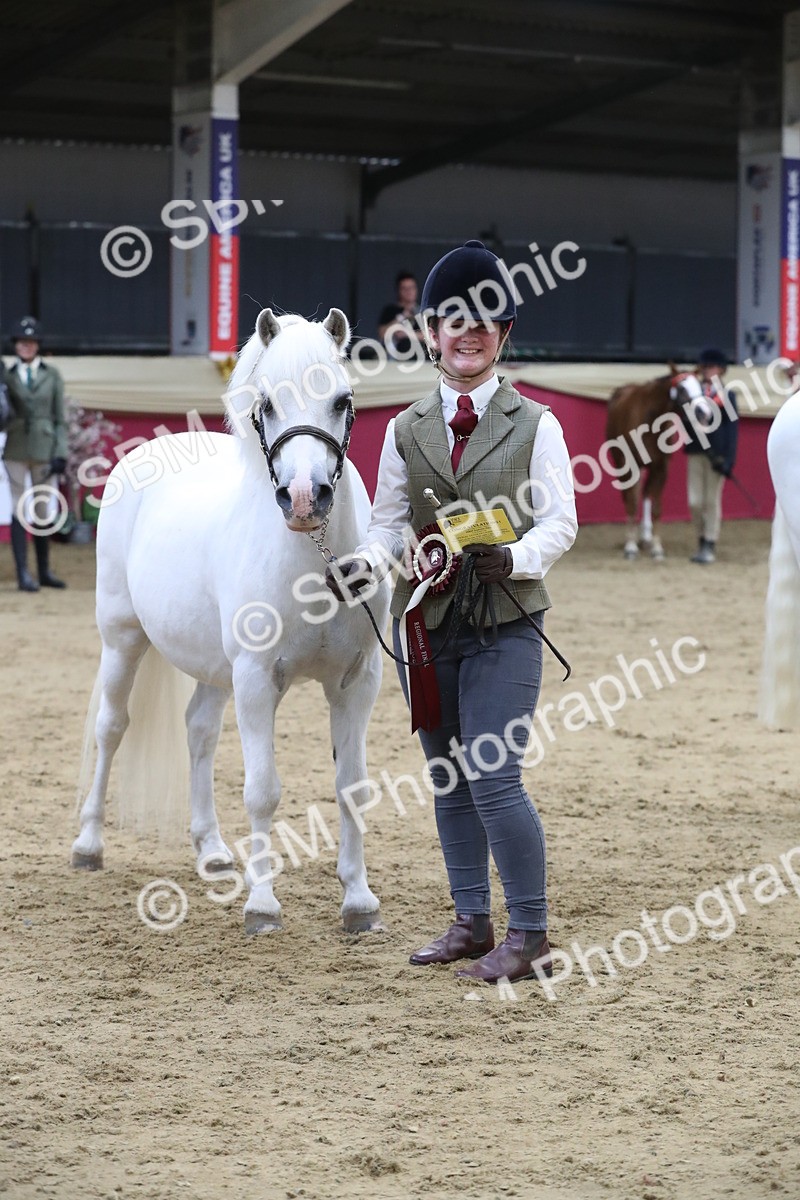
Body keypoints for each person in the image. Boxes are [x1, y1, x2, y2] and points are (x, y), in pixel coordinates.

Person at [327, 240, 578, 984]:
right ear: (431, 331)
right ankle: (471, 920)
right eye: (453, 321)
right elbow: (385, 525)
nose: (467, 334)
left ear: (504, 335)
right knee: (448, 776)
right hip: (428, 626)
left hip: (506, 622)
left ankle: (529, 933)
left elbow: (560, 523)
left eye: (484, 323)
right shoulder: (405, 430)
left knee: (494, 775)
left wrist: (517, 557)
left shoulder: (538, 425)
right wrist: (365, 566)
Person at [1, 316, 67, 590]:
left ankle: (43, 571)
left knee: (41, 510)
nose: (25, 347)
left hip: (44, 444)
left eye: (30, 342)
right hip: (16, 444)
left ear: (37, 345)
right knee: (18, 508)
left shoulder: (52, 375)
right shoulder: (7, 374)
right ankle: (23, 575)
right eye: (21, 342)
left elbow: (59, 417)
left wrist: (60, 452)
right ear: (15, 346)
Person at [684, 347, 738, 565]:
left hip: (717, 455)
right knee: (695, 501)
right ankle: (700, 536)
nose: (707, 371)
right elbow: (686, 421)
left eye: (711, 367)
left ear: (721, 370)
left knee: (711, 500)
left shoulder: (727, 395)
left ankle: (709, 542)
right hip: (696, 452)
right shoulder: (695, 395)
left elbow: (732, 428)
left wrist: (729, 459)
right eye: (705, 367)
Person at [377, 271, 425, 360]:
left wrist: (407, 334)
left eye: (411, 288)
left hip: (421, 360)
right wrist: (401, 317)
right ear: (399, 291)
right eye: (405, 289)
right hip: (396, 361)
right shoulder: (390, 310)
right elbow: (382, 334)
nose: (409, 292)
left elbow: (430, 337)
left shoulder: (422, 312)